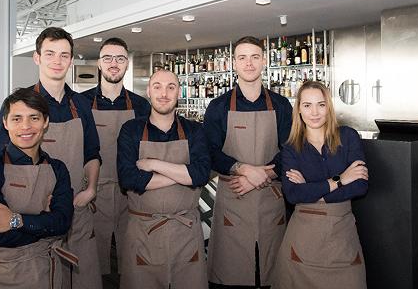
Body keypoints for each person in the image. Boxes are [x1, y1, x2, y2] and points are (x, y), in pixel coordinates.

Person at [0, 27, 102, 289]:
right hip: (33, 213)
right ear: (37, 58)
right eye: (50, 53)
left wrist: (92, 189)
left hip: (76, 210)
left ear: (71, 60)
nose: (57, 60)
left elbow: (93, 153)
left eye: (64, 55)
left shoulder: (81, 105)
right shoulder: (19, 104)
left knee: (84, 280)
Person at [204, 36, 292, 288]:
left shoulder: (282, 105)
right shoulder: (218, 106)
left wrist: (261, 176)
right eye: (242, 57)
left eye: (255, 57)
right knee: (231, 274)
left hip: (270, 198)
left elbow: (291, 150)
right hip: (233, 199)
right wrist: (242, 169)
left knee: (272, 273)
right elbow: (210, 152)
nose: (249, 63)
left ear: (264, 61)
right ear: (234, 63)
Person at [0, 88, 75, 288]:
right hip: (1, 275)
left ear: (46, 122)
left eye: (34, 118)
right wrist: (45, 222)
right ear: (5, 123)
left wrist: (14, 220)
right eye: (17, 119)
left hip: (48, 272)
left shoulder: (58, 169)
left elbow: (63, 223)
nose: (26, 126)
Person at [117, 69, 211, 289]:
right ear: (148, 91)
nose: (164, 93)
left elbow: (201, 175)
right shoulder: (131, 130)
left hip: (186, 233)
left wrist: (153, 165)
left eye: (171, 87)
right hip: (143, 233)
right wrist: (183, 173)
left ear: (179, 92)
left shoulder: (194, 130)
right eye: (157, 86)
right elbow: (129, 178)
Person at [272, 80, 368, 289]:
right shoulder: (290, 147)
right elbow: (293, 195)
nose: (314, 112)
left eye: (321, 104)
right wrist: (340, 180)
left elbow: (360, 184)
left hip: (342, 238)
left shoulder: (348, 136)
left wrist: (313, 191)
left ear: (329, 107)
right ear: (298, 109)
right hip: (303, 241)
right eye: (307, 105)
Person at [82, 37, 150, 276]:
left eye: (120, 58)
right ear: (99, 64)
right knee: (90, 262)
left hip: (130, 193)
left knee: (133, 261)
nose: (114, 63)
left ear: (127, 64)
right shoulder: (80, 103)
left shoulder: (142, 106)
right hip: (91, 193)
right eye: (108, 58)